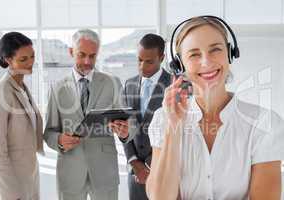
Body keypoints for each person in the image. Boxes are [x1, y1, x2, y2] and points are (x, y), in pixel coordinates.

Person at [146, 16, 284, 200]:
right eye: (194, 54)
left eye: (215, 49)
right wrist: (173, 127)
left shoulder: (264, 123)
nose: (206, 61)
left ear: (230, 53)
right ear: (180, 65)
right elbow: (161, 197)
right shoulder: (163, 119)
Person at [43, 29, 122, 200]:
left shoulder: (112, 83)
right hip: (70, 171)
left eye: (92, 56)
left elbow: (129, 126)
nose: (87, 61)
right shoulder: (57, 88)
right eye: (82, 55)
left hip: (104, 171)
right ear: (71, 52)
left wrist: (125, 131)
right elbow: (48, 132)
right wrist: (59, 140)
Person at [109, 33, 172, 200]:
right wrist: (134, 163)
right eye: (139, 60)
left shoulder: (174, 84)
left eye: (149, 61)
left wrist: (151, 165)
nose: (142, 66)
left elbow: (177, 131)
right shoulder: (129, 84)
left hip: (165, 171)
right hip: (135, 174)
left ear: (162, 58)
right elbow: (124, 131)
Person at [0, 32, 44, 200]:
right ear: (8, 60)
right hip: (10, 185)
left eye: (32, 56)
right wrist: (12, 195)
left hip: (28, 179)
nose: (30, 62)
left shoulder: (22, 88)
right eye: (23, 59)